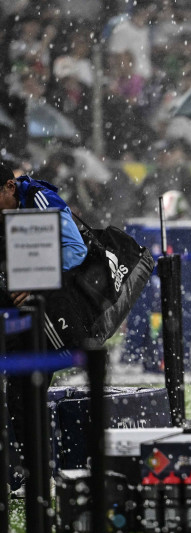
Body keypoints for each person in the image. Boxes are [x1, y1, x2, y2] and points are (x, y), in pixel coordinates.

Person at [0, 160, 89, 497]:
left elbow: (76, 250)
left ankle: (40, 477)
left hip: (42, 312)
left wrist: (34, 278)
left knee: (26, 393)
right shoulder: (8, 205)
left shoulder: (41, 200)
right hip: (10, 311)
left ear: (10, 187)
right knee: (17, 396)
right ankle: (33, 476)